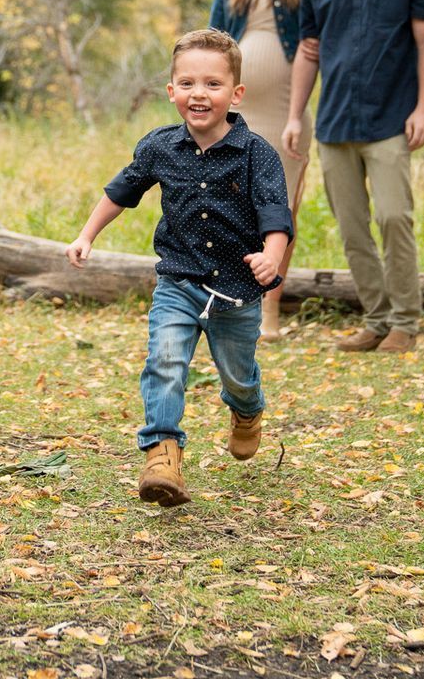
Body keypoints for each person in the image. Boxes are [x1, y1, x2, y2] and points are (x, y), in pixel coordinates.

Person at [66, 29, 293, 507]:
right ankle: (162, 455)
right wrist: (86, 235)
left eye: (213, 84)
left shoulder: (257, 155)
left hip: (237, 291)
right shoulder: (159, 147)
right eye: (187, 83)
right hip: (180, 281)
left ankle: (247, 411)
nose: (199, 94)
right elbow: (120, 192)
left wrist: (271, 256)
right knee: (165, 360)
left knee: (237, 374)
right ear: (171, 91)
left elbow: (276, 213)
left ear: (236, 94)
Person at [282, 0, 424, 354]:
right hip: (333, 125)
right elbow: (308, 52)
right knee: (353, 230)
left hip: (390, 120)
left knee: (394, 219)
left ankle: (405, 325)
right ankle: (375, 320)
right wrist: (295, 116)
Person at [207, 0, 309, 341]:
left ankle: (270, 313)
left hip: (286, 111)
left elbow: (311, 46)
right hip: (239, 111)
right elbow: (211, 46)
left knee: (280, 211)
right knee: (233, 207)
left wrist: (295, 115)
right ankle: (230, 303)